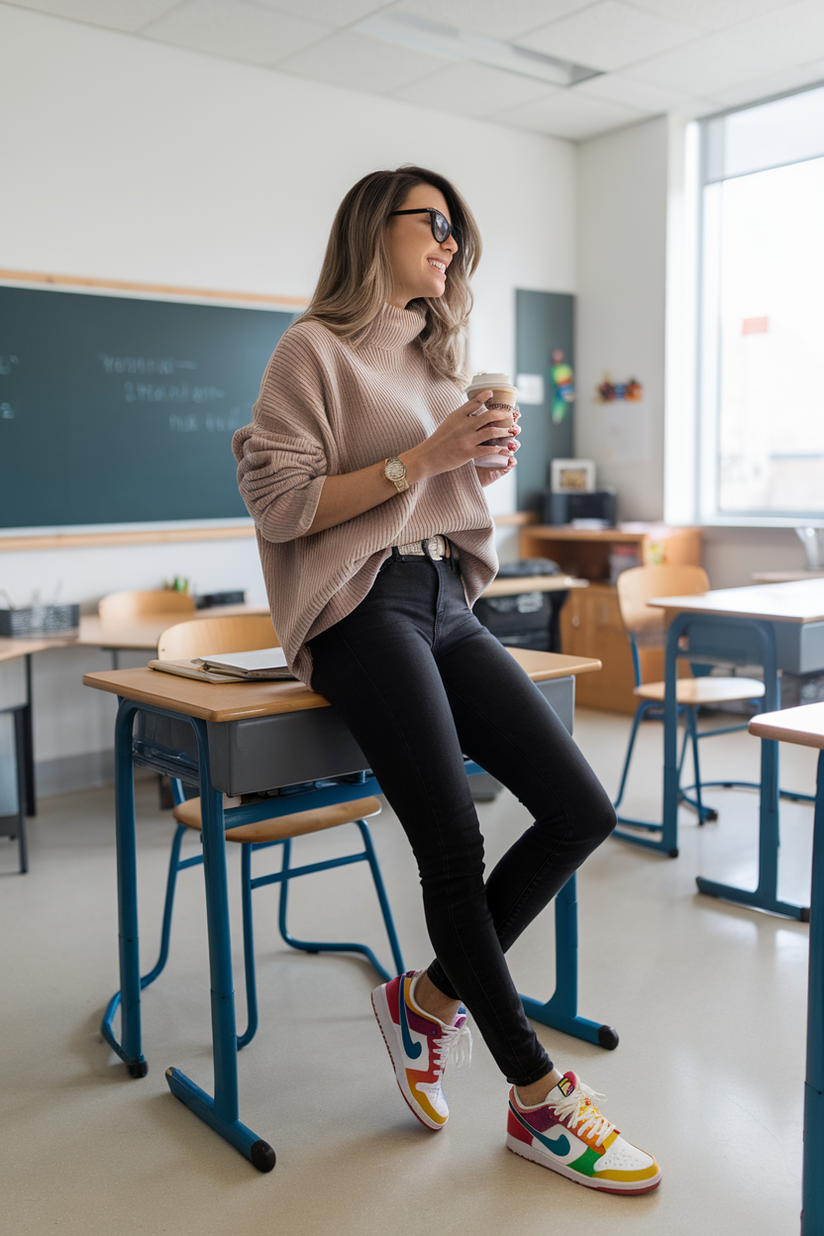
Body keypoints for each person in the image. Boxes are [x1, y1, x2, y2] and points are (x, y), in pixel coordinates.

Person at [233, 166, 660, 1195]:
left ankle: (423, 1000)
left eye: (459, 235)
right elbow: (281, 505)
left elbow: (439, 492)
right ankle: (535, 1097)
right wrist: (422, 459)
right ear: (373, 229)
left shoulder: (438, 359)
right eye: (436, 225)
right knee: (453, 841)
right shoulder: (313, 351)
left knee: (578, 807)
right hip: (360, 608)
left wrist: (472, 461)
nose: (452, 247)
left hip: (447, 604)